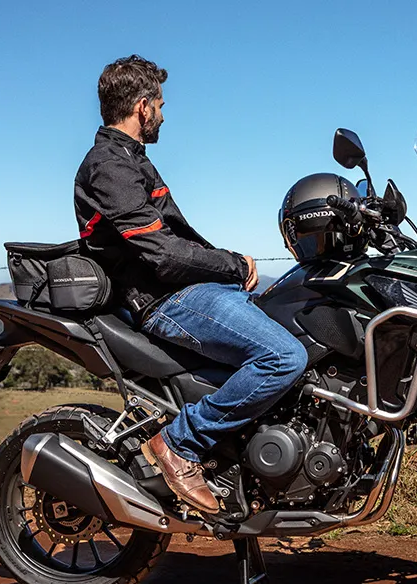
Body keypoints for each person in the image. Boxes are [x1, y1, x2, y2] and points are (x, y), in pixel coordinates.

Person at [74, 55, 307, 513]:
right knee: (284, 356)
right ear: (143, 107)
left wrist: (228, 271)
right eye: (160, 104)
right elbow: (160, 252)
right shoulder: (109, 168)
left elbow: (176, 239)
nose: (163, 113)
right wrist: (232, 265)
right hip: (165, 299)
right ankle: (179, 443)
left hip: (187, 291)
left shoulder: (130, 161)